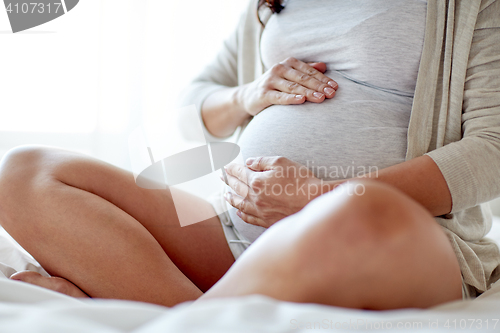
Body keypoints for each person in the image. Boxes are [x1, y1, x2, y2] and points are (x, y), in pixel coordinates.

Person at [0, 0, 498, 310]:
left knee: (359, 210)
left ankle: (179, 318)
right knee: (24, 172)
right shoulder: (272, 4)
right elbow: (188, 108)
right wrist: (247, 95)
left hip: (397, 237)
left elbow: (491, 149)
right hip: (242, 235)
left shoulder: (470, 6)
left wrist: (323, 197)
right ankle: (197, 313)